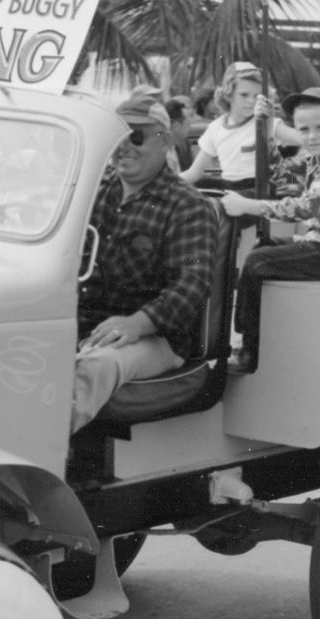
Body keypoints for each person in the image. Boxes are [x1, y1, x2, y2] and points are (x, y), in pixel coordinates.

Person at [73, 90, 216, 433]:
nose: (124, 147)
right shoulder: (92, 190)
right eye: (116, 136)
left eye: (136, 137)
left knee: (93, 368)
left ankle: (34, 459)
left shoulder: (188, 207)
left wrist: (137, 323)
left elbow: (192, 282)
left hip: (157, 338)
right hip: (88, 322)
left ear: (165, 141)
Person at [218, 88, 320, 373]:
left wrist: (247, 205)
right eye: (304, 129)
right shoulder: (318, 156)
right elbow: (278, 172)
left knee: (257, 262)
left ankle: (249, 347)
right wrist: (265, 124)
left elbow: (305, 208)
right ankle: (263, 332)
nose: (311, 136)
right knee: (263, 247)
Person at [179, 62, 273, 189]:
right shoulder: (215, 128)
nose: (251, 101)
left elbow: (298, 139)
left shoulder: (266, 123)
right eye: (244, 95)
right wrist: (167, 185)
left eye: (257, 96)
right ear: (229, 94)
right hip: (231, 191)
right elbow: (194, 172)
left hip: (261, 194)